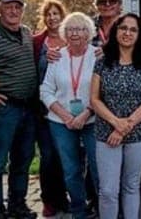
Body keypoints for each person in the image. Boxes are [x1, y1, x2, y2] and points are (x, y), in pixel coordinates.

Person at [90, 13, 141, 219]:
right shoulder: (103, 63)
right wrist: (116, 124)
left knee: (131, 186)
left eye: (133, 29)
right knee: (108, 191)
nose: (127, 33)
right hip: (106, 134)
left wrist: (125, 126)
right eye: (123, 28)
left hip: (139, 134)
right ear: (116, 32)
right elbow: (94, 99)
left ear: (139, 35)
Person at [0, 0, 39, 219]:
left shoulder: (26, 33)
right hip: (6, 108)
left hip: (29, 107)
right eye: (8, 7)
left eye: (18, 6)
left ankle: (18, 204)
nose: (14, 11)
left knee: (23, 159)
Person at [40, 11, 99, 219]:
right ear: (65, 32)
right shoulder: (57, 56)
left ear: (89, 32)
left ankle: (100, 207)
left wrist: (87, 113)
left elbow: (104, 90)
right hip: (60, 121)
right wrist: (66, 116)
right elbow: (45, 90)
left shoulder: (97, 55)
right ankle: (78, 210)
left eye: (81, 28)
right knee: (71, 169)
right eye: (71, 29)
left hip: (92, 119)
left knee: (98, 166)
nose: (75, 33)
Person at [33, 0, 69, 217]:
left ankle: (63, 197)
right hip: (43, 109)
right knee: (47, 155)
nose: (52, 18)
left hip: (67, 109)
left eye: (56, 14)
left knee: (65, 154)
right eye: (48, 14)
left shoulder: (71, 39)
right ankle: (49, 200)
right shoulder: (37, 43)